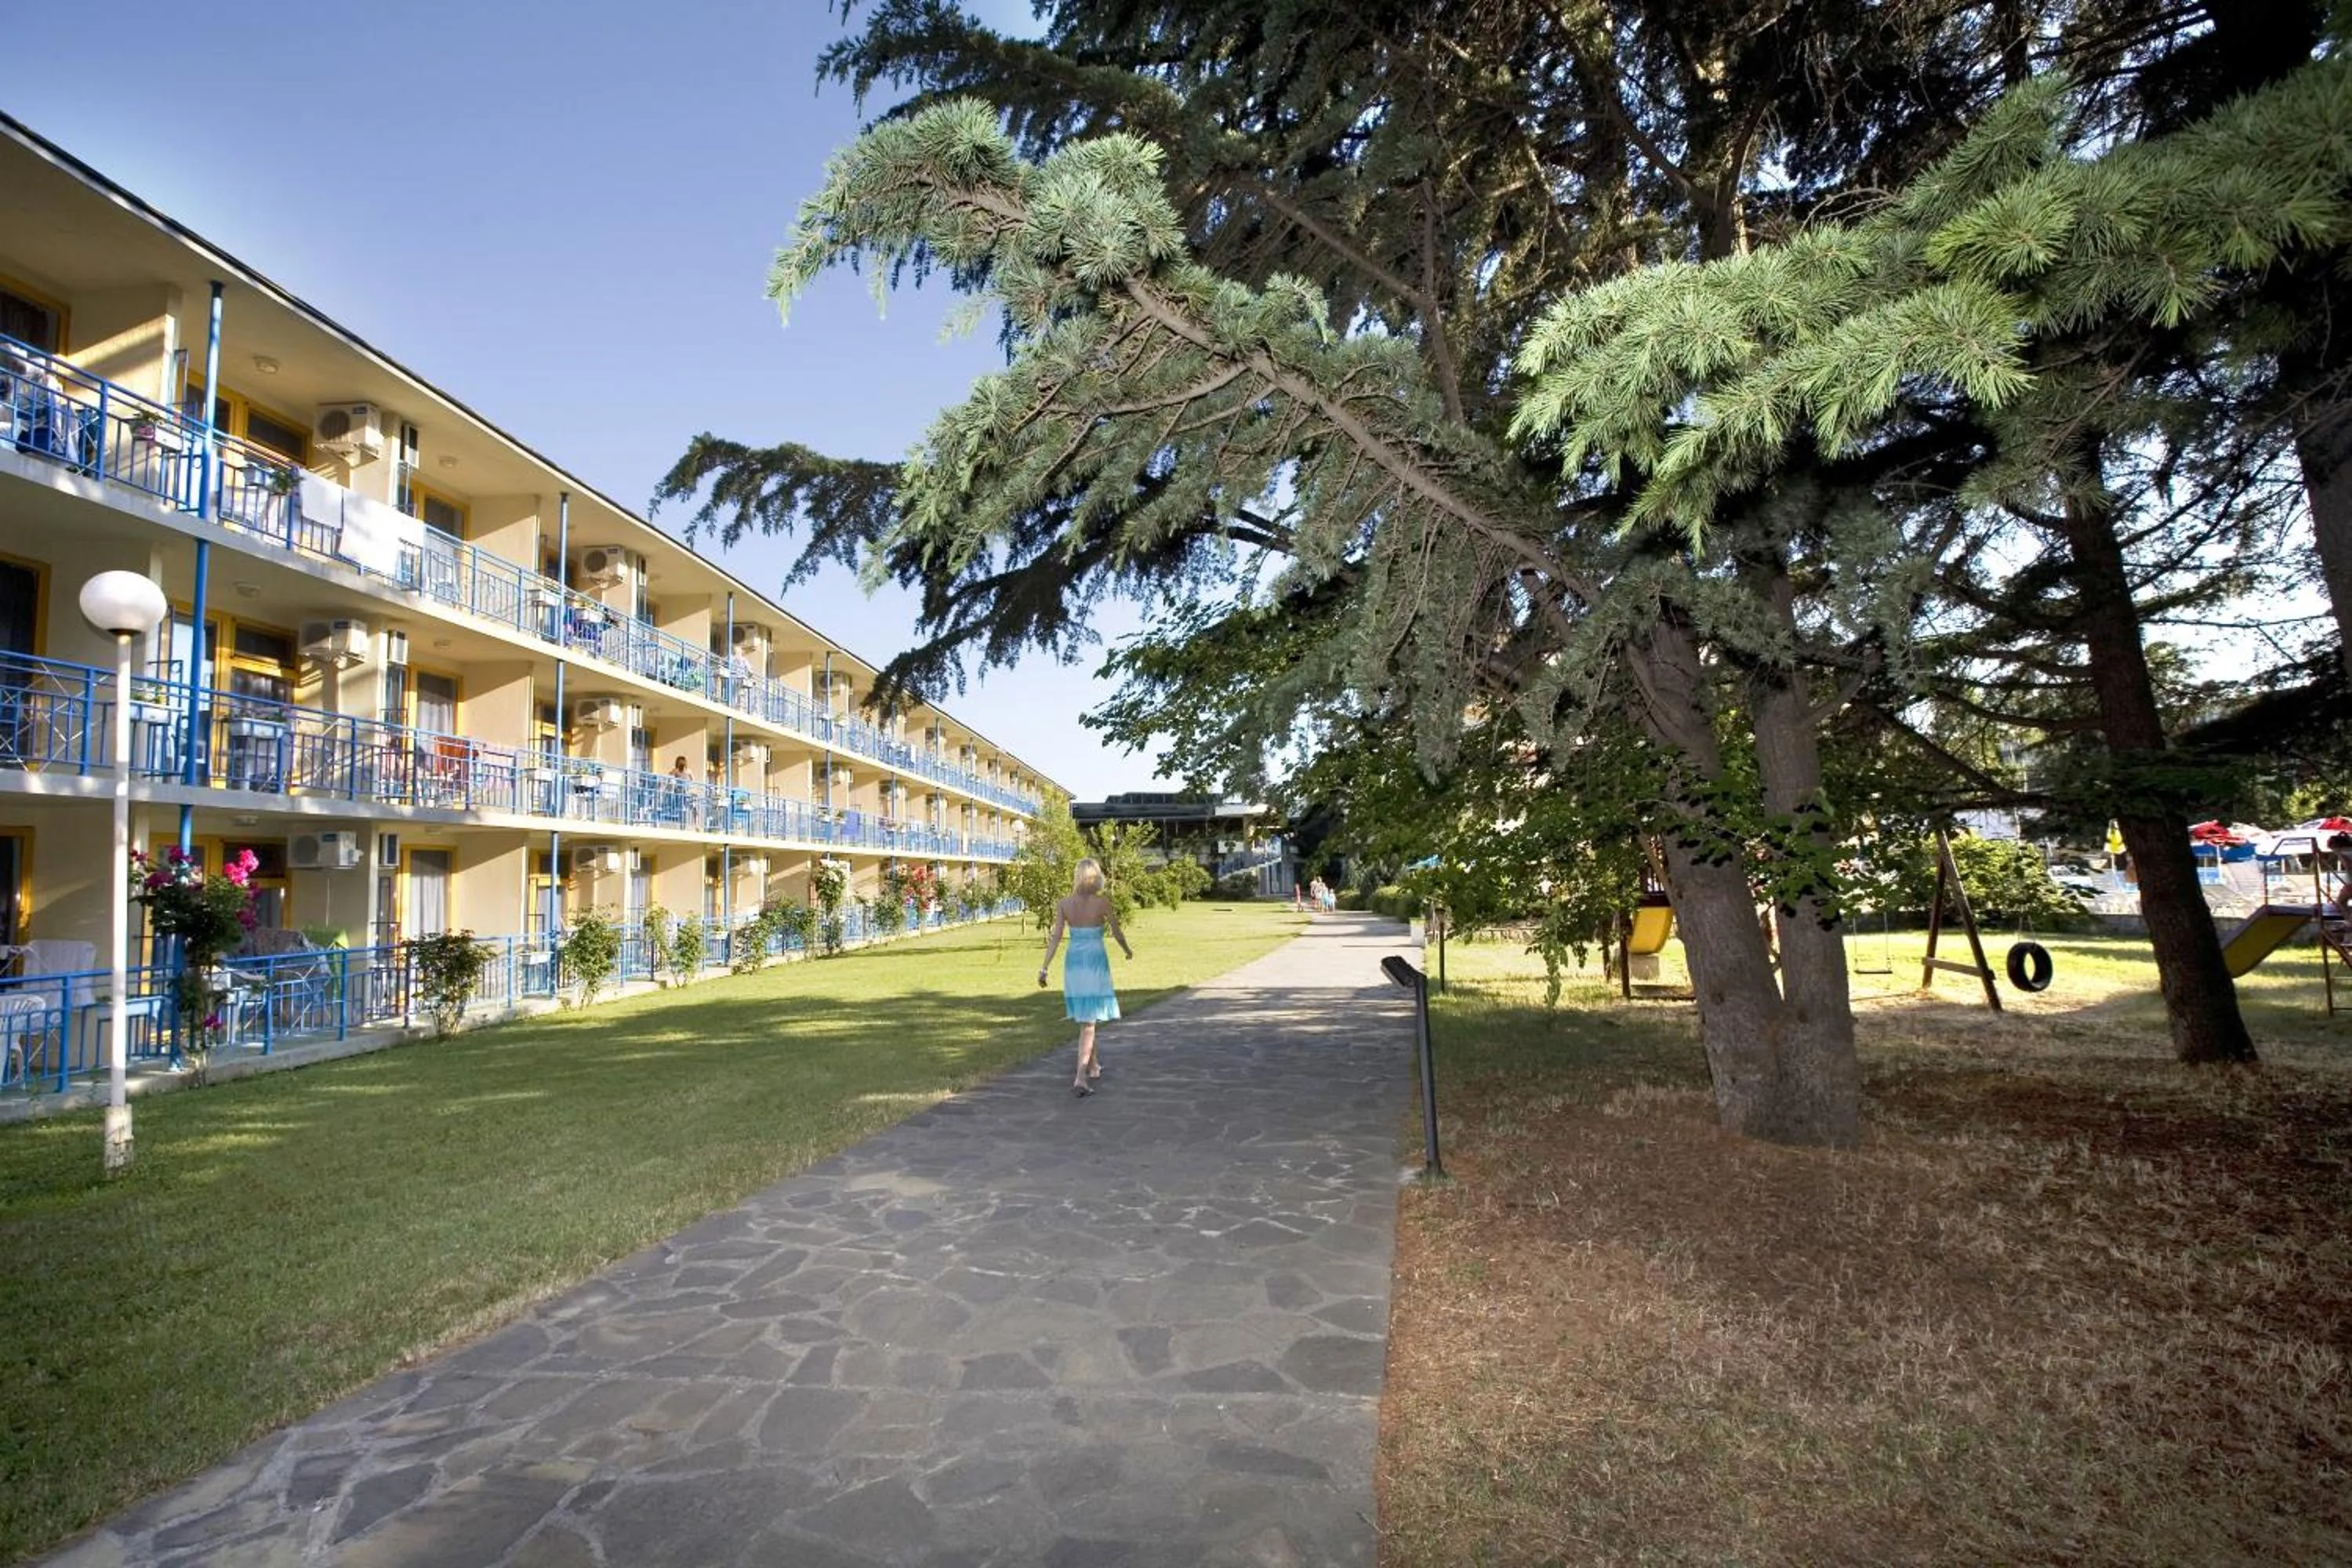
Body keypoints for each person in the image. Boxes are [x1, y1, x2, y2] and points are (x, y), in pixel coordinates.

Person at [1039, 857, 1134, 1097]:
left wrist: (1045, 967)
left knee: (1086, 1016)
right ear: (1096, 877)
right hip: (1094, 962)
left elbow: (1056, 937)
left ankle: (1093, 1065)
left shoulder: (1064, 903)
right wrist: (1127, 950)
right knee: (1089, 1022)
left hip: (1074, 963)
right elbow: (1117, 932)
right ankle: (1080, 1078)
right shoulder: (1102, 903)